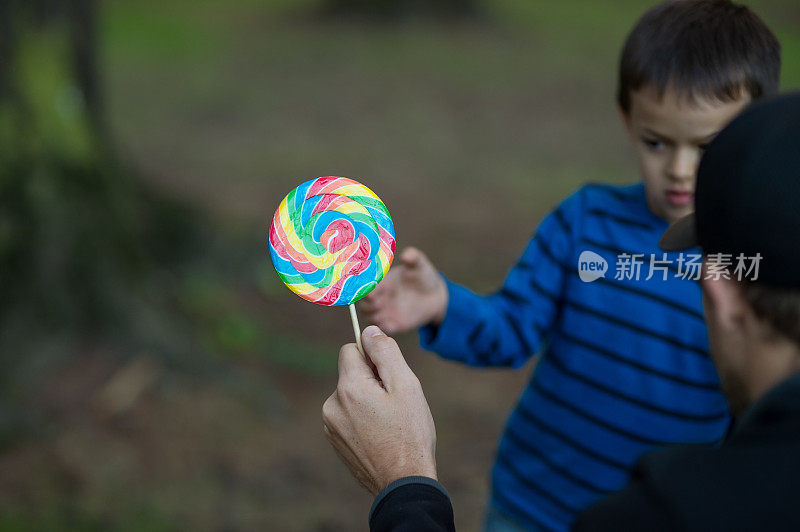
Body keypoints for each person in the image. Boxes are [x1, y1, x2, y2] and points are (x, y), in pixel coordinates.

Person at [357, 2, 781, 529]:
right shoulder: (583, 222)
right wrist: (444, 303)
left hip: (654, 519)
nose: (679, 169)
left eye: (706, 146)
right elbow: (509, 331)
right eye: (656, 142)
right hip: (531, 506)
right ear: (627, 117)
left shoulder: (756, 262)